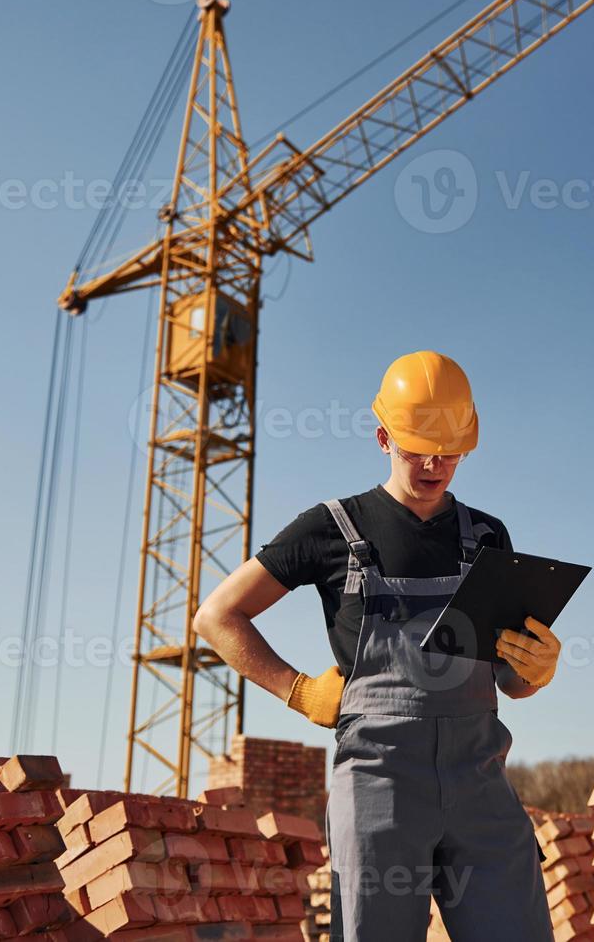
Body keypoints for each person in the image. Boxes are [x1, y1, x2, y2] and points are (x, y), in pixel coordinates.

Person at [194, 350, 563, 941]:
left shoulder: (488, 536)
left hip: (480, 781)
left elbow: (509, 682)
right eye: (417, 446)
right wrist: (297, 691)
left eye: (448, 450)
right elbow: (216, 616)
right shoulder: (332, 528)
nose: (434, 463)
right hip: (379, 785)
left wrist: (536, 670)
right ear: (383, 437)